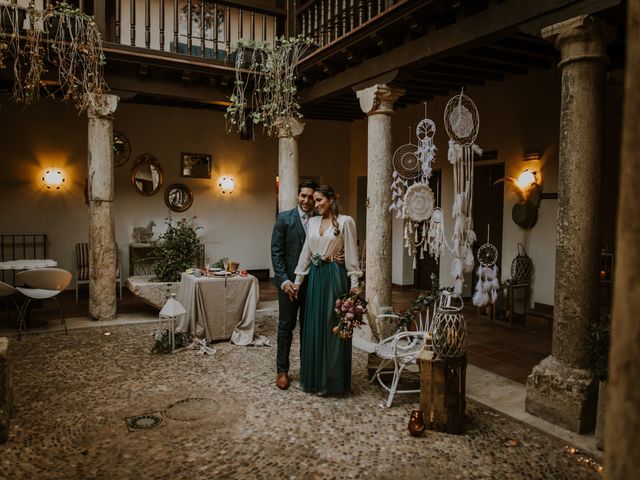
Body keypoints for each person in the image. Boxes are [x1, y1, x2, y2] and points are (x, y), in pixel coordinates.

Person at [293, 185, 362, 395]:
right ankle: (314, 379)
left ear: (331, 200)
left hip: (334, 277)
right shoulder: (313, 222)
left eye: (319, 200)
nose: (315, 204)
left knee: (332, 328)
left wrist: (354, 285)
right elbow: (307, 251)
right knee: (314, 326)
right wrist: (298, 279)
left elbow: (351, 254)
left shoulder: (345, 221)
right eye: (314, 200)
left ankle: (332, 382)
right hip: (315, 278)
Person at [270, 180, 319, 390]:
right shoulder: (284, 218)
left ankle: (308, 369)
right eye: (303, 196)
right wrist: (284, 281)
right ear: (298, 196)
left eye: (311, 197)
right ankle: (282, 371)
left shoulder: (320, 220)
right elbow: (276, 252)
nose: (307, 201)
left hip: (312, 283)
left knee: (308, 328)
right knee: (285, 327)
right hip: (289, 285)